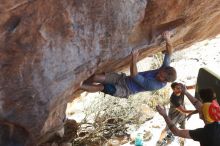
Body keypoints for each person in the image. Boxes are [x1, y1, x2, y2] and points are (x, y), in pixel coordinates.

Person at [80, 31, 177, 98]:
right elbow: (169, 53)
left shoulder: (154, 85)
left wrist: (134, 58)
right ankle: (83, 85)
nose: (158, 73)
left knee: (103, 87)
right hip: (123, 79)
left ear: (164, 80)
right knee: (96, 77)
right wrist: (167, 38)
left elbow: (134, 75)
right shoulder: (165, 70)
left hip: (125, 90)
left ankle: (77, 86)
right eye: (160, 71)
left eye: (160, 76)